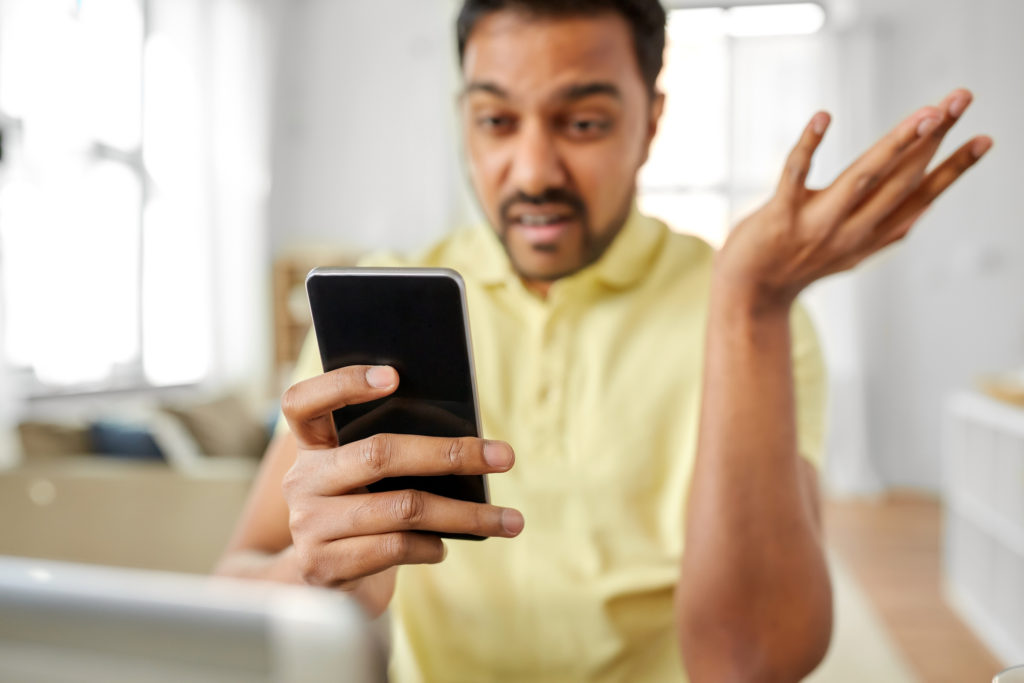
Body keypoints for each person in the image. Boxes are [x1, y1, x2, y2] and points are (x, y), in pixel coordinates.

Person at [215, 1, 992, 680]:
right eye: (496, 120)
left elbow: (752, 665)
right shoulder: (382, 307)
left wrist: (750, 309)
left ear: (650, 122)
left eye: (583, 123)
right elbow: (233, 583)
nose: (533, 170)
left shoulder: (752, 315)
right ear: (463, 120)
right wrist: (313, 576)